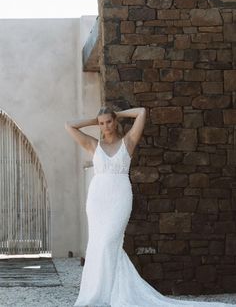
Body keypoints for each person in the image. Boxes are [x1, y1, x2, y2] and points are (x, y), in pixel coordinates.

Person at [65, 106, 235, 307]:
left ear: (115, 121)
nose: (105, 126)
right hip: (97, 199)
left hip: (119, 197)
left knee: (110, 242)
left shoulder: (127, 141)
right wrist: (96, 119)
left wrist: (117, 114)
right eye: (102, 123)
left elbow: (142, 113)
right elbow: (69, 126)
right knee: (97, 244)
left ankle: (115, 292)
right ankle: (101, 292)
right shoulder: (95, 145)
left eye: (108, 122)